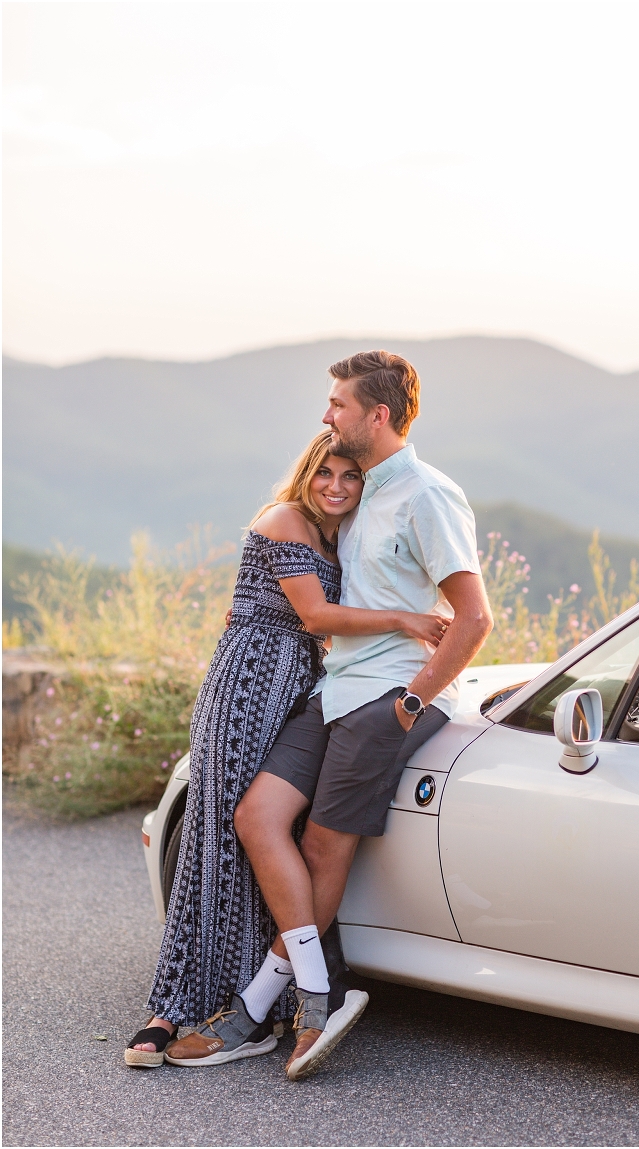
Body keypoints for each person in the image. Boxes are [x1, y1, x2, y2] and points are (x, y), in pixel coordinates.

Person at [125, 430, 451, 1068]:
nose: (336, 486)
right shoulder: (284, 519)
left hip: (302, 686)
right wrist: (405, 620)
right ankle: (173, 1004)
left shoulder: (342, 535)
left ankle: (259, 1004)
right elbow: (316, 616)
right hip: (248, 689)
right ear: (306, 473)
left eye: (350, 476)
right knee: (218, 836)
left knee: (271, 839)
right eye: (325, 472)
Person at [229, 350, 494, 1081]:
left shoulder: (427, 494)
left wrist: (412, 701)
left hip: (387, 698)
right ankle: (314, 990)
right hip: (337, 689)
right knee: (257, 816)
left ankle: (276, 1005)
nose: (327, 415)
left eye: (339, 404)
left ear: (377, 415)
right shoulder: (361, 490)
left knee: (322, 847)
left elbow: (474, 618)